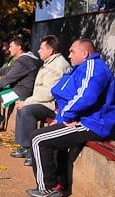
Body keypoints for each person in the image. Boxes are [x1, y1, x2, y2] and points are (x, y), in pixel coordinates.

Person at [26, 39, 115, 197]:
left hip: (95, 124)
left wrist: (67, 116)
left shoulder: (94, 68)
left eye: (72, 52)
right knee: (47, 137)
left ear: (84, 54)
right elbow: (64, 94)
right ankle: (59, 183)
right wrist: (61, 118)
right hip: (83, 119)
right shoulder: (79, 69)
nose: (69, 55)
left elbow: (86, 97)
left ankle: (47, 188)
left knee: (38, 139)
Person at [10, 35, 70, 165]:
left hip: (53, 106)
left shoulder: (57, 66)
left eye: (41, 48)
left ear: (50, 50)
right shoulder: (50, 62)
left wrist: (27, 101)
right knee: (22, 108)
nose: (38, 51)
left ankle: (33, 150)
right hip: (45, 102)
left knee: (27, 110)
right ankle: (25, 147)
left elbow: (48, 93)